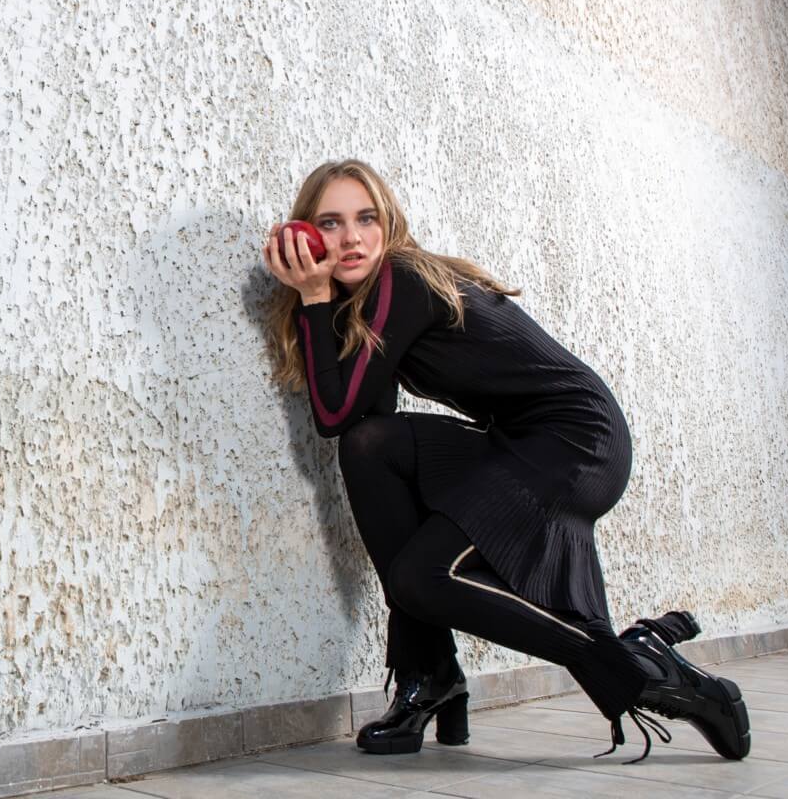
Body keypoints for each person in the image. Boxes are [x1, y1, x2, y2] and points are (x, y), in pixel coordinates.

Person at [260, 158, 750, 763]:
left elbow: (330, 414)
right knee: (371, 449)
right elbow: (359, 421)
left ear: (388, 223)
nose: (351, 237)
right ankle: (430, 676)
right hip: (518, 440)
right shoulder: (368, 304)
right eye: (330, 223)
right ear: (305, 235)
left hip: (576, 439)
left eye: (366, 218)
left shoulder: (402, 277)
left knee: (422, 577)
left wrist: (312, 295)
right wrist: (326, 307)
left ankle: (640, 667)